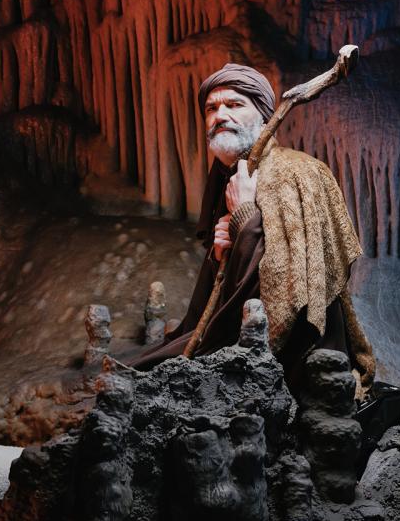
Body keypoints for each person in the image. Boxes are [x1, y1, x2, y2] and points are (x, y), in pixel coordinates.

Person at [129, 63, 375, 397]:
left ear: (263, 114)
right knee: (151, 373)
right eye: (211, 108)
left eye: (234, 104)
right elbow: (230, 288)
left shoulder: (299, 173)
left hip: (295, 353)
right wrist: (221, 255)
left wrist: (245, 217)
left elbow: (293, 289)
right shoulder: (227, 178)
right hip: (236, 331)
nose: (220, 115)